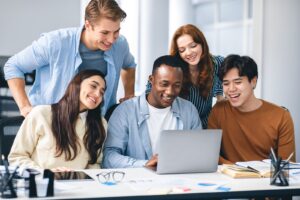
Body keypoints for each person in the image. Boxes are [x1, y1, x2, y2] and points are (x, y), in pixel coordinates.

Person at [4, 0, 136, 117]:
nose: (111, 39)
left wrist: (129, 95)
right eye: (105, 33)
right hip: (51, 124)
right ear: (88, 25)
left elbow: (129, 65)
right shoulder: (55, 42)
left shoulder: (120, 45)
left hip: (97, 127)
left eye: (116, 31)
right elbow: (13, 66)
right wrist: (24, 106)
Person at [102, 55, 201, 168]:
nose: (170, 91)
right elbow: (109, 157)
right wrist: (144, 164)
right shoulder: (124, 111)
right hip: (137, 181)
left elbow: (197, 153)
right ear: (151, 80)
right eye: (164, 84)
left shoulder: (189, 110)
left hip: (178, 181)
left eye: (177, 85)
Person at [8, 70, 107, 171]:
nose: (98, 94)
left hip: (79, 184)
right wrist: (45, 174)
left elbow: (95, 164)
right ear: (77, 84)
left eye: (102, 92)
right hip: (42, 183)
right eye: (93, 86)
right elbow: (17, 157)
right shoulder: (41, 113)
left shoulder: (100, 123)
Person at [208, 55, 296, 164]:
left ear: (253, 81)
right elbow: (210, 154)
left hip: (265, 179)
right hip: (229, 177)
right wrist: (236, 170)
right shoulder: (218, 111)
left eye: (238, 82)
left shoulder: (281, 116)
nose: (231, 89)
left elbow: (286, 165)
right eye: (226, 83)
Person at [170, 24, 224, 129]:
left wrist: (220, 95)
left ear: (202, 44)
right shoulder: (172, 69)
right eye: (182, 50)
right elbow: (151, 87)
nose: (189, 53)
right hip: (179, 128)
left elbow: (236, 71)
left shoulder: (216, 63)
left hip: (206, 128)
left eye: (193, 46)